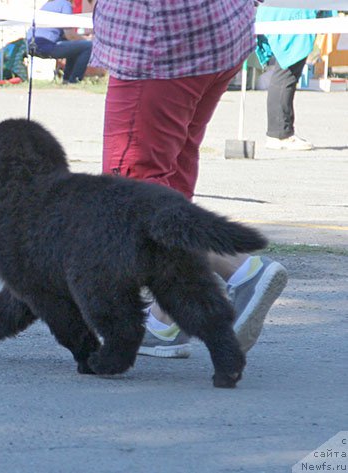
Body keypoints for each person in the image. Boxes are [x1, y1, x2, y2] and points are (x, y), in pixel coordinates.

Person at [91, 0, 288, 358]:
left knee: (130, 188)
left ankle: (241, 270)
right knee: (172, 171)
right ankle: (169, 313)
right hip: (217, 31)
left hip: (159, 42)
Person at [256, 7, 327, 151]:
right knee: (286, 73)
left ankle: (279, 132)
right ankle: (280, 134)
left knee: (285, 73)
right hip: (290, 16)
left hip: (277, 13)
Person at [27, 0, 92, 84]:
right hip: (46, 46)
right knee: (88, 46)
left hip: (31, 45)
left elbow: (65, 35)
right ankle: (74, 81)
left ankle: (67, 80)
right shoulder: (65, 4)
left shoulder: (49, 4)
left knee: (75, 46)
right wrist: (87, 40)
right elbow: (70, 35)